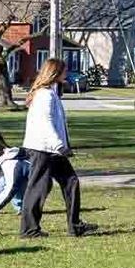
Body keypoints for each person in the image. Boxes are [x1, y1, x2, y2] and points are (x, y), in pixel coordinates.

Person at [19, 58, 96, 239]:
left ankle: (75, 225)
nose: (66, 73)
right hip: (43, 149)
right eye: (64, 70)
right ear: (55, 72)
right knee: (39, 187)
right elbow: (45, 123)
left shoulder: (50, 93)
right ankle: (29, 230)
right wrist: (59, 145)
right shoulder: (45, 95)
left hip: (52, 149)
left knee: (71, 182)